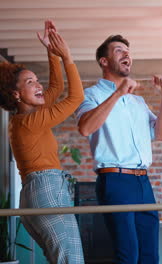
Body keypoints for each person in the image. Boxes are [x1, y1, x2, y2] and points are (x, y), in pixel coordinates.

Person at [75, 35, 162, 264]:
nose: (126, 54)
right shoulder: (91, 95)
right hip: (115, 181)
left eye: (128, 51)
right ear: (104, 61)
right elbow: (85, 128)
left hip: (143, 183)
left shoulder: (138, 102)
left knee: (150, 256)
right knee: (128, 255)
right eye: (119, 50)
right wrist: (118, 93)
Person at [0, 20, 84, 263]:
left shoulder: (25, 118)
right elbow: (76, 97)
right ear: (15, 94)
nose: (38, 86)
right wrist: (67, 57)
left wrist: (51, 51)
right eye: (30, 83)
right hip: (46, 189)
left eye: (37, 80)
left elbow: (56, 87)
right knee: (72, 260)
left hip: (36, 192)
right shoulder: (29, 121)